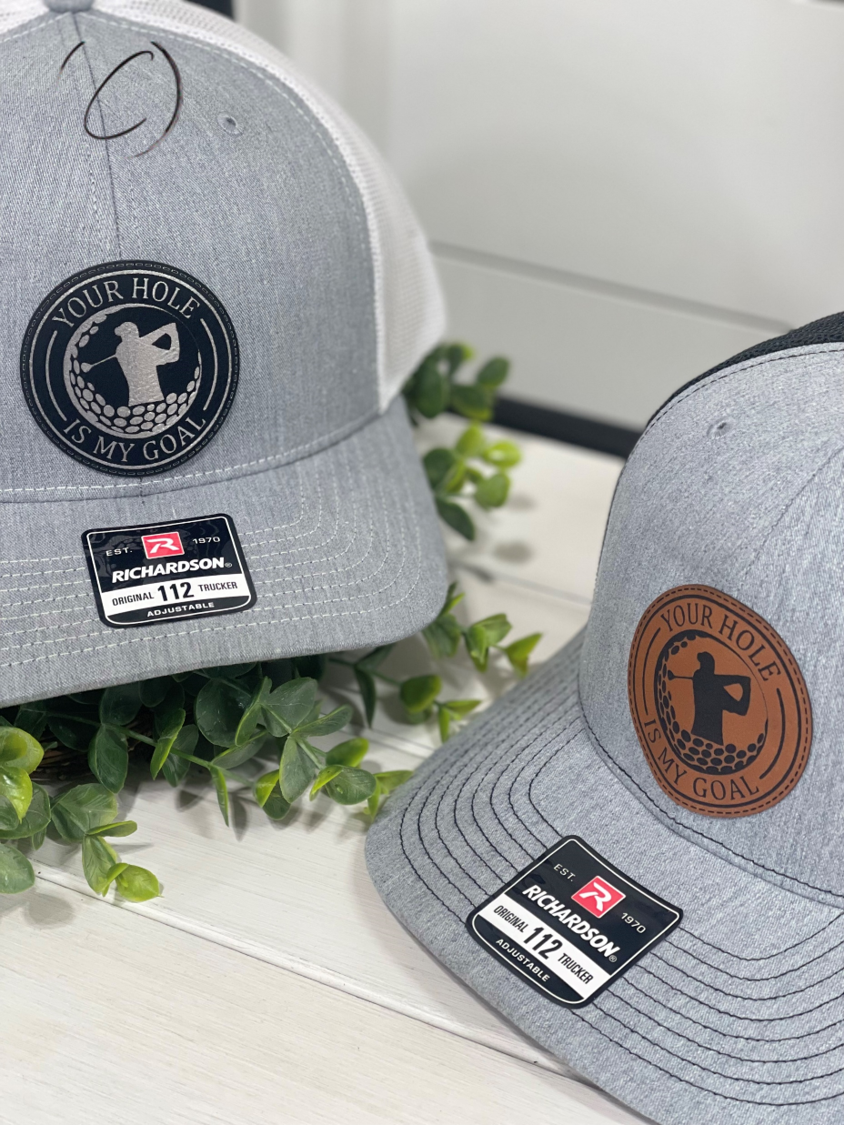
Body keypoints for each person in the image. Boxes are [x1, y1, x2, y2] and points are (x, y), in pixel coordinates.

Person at [113, 320, 180, 406]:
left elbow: (140, 342)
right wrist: (174, 335)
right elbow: (174, 356)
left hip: (134, 401)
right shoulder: (145, 350)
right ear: (136, 333)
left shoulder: (120, 349)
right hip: (154, 400)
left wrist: (162, 330)